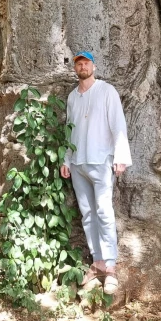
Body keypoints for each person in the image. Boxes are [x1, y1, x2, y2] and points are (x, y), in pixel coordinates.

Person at [60, 51, 132, 295]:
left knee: (104, 211)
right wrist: (66, 160)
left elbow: (118, 125)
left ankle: (110, 266)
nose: (82, 66)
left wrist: (120, 157)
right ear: (75, 68)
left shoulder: (106, 91)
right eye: (79, 64)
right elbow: (69, 131)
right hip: (79, 163)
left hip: (101, 161)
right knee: (88, 213)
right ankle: (98, 261)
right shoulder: (72, 97)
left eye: (86, 63)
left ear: (94, 65)